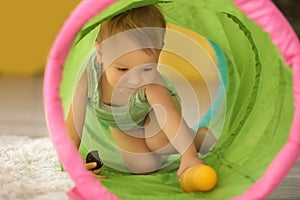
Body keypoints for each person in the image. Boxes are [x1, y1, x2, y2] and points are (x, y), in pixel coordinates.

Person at [66, 4, 216, 179]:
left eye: (146, 69)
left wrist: (189, 156)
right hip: (122, 123)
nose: (136, 80)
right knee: (144, 167)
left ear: (160, 51)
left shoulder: (152, 84)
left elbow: (169, 117)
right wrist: (72, 164)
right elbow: (74, 121)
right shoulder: (88, 76)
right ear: (100, 53)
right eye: (122, 69)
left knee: (160, 144)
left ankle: (198, 139)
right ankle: (160, 147)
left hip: (155, 112)